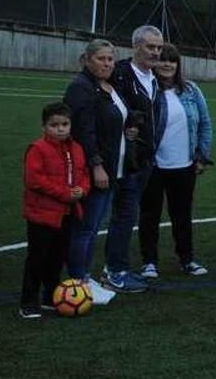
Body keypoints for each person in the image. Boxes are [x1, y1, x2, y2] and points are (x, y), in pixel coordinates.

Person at [138, 44, 213, 279]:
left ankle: (187, 259)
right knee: (149, 214)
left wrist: (201, 157)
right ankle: (149, 261)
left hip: (185, 165)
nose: (167, 64)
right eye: (162, 60)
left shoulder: (191, 90)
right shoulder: (147, 90)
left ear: (178, 65)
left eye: (172, 61)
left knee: (182, 214)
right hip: (154, 166)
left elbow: (205, 124)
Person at [103, 24, 166, 293]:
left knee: (129, 214)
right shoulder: (119, 74)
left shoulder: (153, 78)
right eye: (150, 47)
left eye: (159, 47)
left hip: (144, 160)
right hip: (124, 161)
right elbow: (104, 111)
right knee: (124, 215)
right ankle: (115, 272)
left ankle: (116, 268)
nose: (155, 52)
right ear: (136, 46)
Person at [62, 39, 125, 306]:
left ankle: (85, 275)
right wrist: (96, 165)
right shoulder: (81, 88)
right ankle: (79, 280)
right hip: (93, 171)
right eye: (101, 58)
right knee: (85, 228)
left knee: (93, 225)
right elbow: (83, 132)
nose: (107, 64)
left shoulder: (105, 87)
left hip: (112, 167)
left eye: (110, 59)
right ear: (86, 60)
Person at [19, 102, 90, 319]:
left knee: (57, 258)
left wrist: (82, 189)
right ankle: (28, 302)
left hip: (66, 214)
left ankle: (51, 297)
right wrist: (65, 193)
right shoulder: (38, 149)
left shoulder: (76, 148)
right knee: (37, 259)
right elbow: (34, 180)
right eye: (54, 125)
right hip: (42, 215)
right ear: (44, 127)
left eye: (65, 124)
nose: (60, 129)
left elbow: (84, 173)